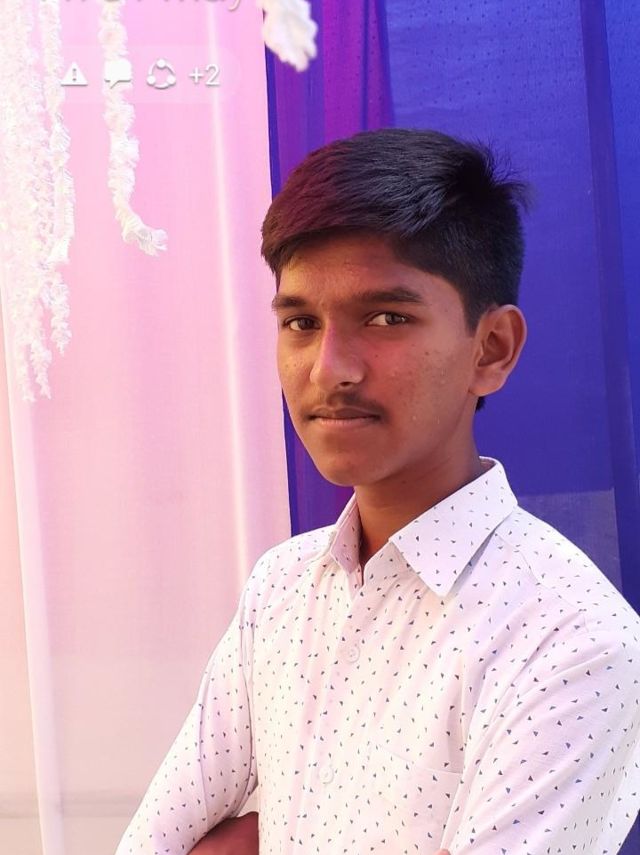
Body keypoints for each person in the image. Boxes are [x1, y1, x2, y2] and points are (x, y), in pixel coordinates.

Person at [115, 129, 640, 855]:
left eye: (387, 318)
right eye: (301, 322)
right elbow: (156, 841)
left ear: (491, 349)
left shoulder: (573, 642)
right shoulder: (282, 589)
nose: (328, 368)